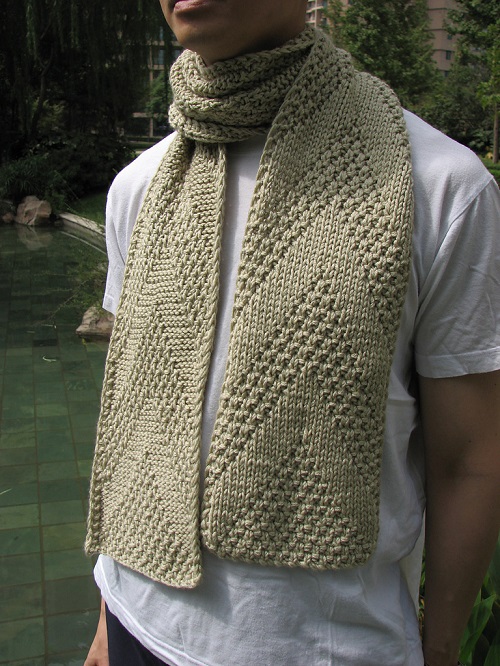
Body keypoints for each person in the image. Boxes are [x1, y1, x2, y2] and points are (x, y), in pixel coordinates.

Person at [84, 1, 500, 665]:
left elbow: (470, 459)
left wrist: (443, 648)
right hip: (135, 626)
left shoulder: (441, 186)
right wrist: (110, 619)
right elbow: (137, 427)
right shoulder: (140, 186)